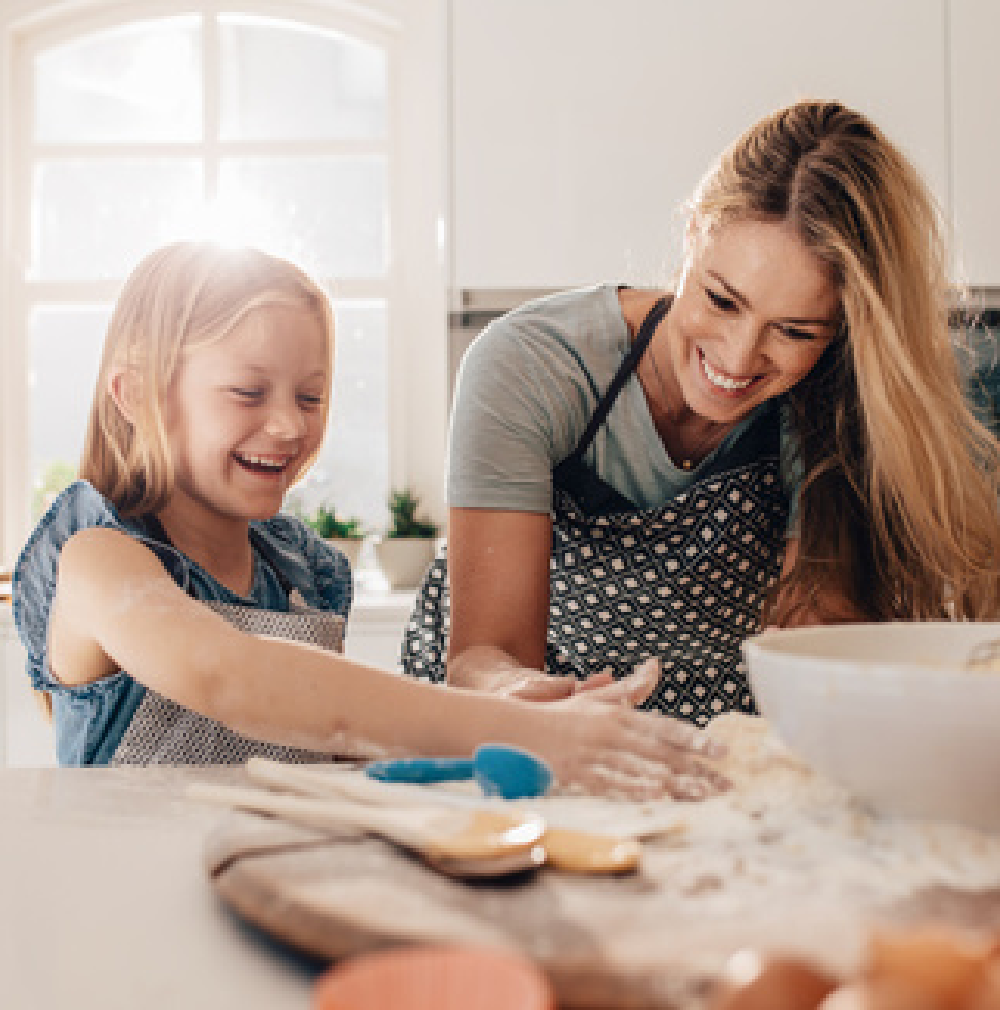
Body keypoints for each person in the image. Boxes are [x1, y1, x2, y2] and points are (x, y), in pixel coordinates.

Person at [11, 241, 725, 799]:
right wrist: (525, 731)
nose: (289, 424)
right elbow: (228, 675)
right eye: (248, 391)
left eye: (312, 396)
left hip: (268, 892)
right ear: (135, 395)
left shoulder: (304, 574)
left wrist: (514, 716)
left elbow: (330, 742)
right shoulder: (97, 558)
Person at [401, 99, 1000, 725]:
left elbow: (813, 640)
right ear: (692, 233)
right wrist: (531, 702)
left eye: (793, 331)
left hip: (726, 729)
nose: (739, 360)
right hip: (519, 727)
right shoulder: (533, 366)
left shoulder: (834, 400)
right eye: (721, 299)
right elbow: (483, 656)